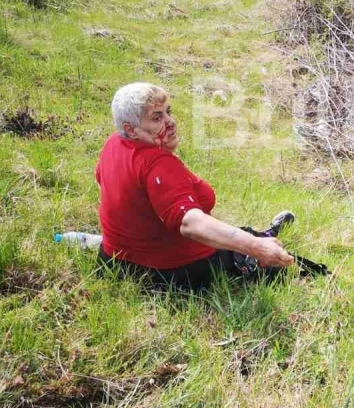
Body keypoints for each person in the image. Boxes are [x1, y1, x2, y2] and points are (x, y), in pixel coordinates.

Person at [95, 82, 295, 290]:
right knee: (273, 262)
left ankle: (264, 235)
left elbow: (103, 182)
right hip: (169, 273)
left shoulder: (114, 144)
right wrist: (258, 248)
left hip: (114, 262)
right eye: (157, 118)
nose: (170, 122)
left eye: (168, 112)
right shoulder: (158, 165)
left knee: (243, 235)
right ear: (131, 129)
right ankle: (264, 241)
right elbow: (191, 224)